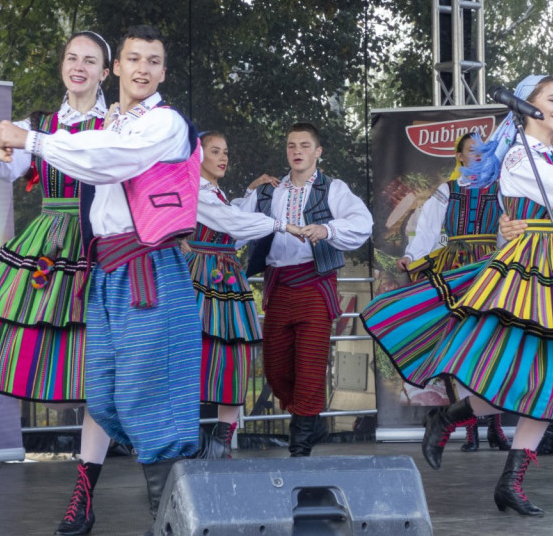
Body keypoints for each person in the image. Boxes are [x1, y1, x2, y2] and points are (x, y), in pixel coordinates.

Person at [362, 75, 553, 516]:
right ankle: (449, 417)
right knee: (514, 370)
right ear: (526, 107)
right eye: (552, 99)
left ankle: (509, 479)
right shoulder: (521, 156)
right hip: (529, 268)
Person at [0, 24, 202, 536]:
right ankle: (175, 520)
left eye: (154, 61)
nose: (143, 69)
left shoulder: (164, 123)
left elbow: (107, 157)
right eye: (135, 59)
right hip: (109, 272)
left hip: (148, 270)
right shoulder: (113, 122)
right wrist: (9, 141)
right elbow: (91, 148)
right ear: (121, 68)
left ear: (162, 73)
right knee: (107, 394)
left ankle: (174, 530)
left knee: (147, 397)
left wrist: (31, 139)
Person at [0, 32, 115, 534]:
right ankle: (85, 490)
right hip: (52, 244)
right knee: (65, 356)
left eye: (90, 61)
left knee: (102, 371)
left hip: (104, 246)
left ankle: (86, 490)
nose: (78, 67)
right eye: (71, 58)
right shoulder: (40, 125)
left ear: (106, 72)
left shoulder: (119, 123)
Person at [241, 122, 372, 457]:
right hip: (279, 284)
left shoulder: (333, 188)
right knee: (275, 369)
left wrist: (327, 230)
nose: (296, 151)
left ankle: (300, 443)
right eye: (290, 145)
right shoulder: (269, 191)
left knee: (311, 365)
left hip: (315, 283)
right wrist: (248, 193)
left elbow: (362, 223)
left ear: (318, 151)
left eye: (303, 145)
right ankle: (310, 420)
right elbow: (235, 224)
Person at [184, 132, 300, 457]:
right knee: (194, 352)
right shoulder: (194, 190)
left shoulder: (216, 193)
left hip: (227, 276)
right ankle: (187, 436)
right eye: (215, 151)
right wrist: (281, 225)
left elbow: (232, 230)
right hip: (199, 274)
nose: (223, 158)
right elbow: (231, 223)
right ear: (197, 156)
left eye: (226, 152)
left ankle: (221, 441)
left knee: (234, 355)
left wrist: (250, 192)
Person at [397, 133, 510, 452]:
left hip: (491, 269)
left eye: (483, 152)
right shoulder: (447, 190)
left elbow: (509, 232)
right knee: (464, 348)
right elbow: (428, 231)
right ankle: (471, 427)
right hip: (457, 271)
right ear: (459, 157)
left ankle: (495, 427)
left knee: (493, 346)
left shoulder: (503, 190)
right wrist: (411, 255)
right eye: (472, 151)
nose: (478, 156)